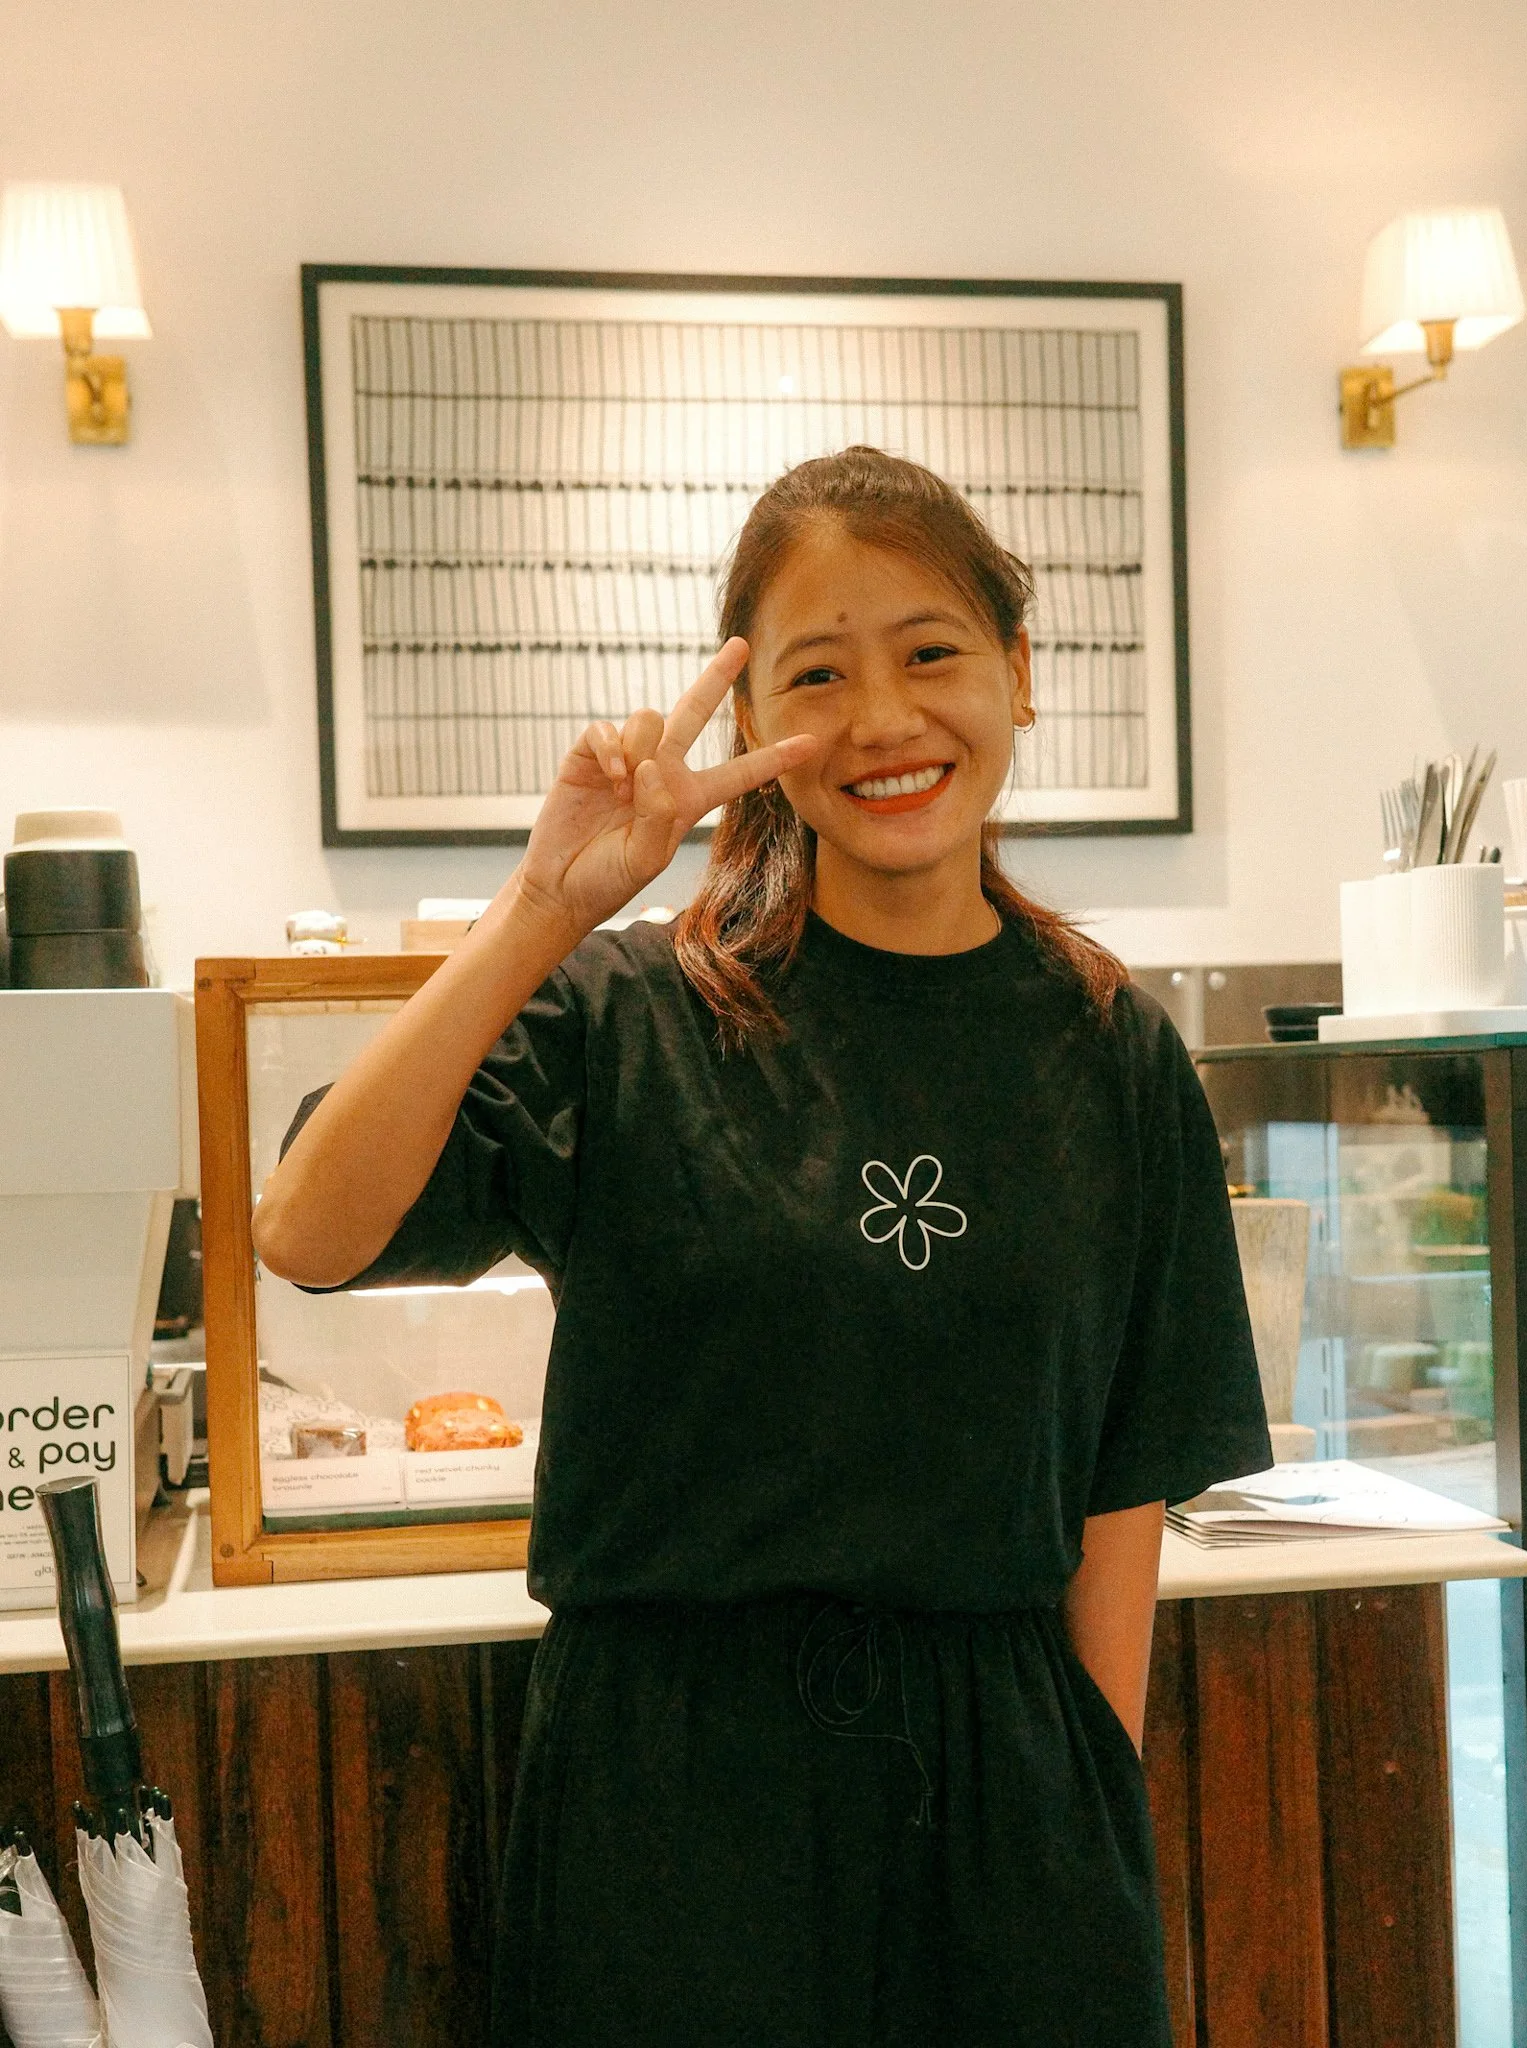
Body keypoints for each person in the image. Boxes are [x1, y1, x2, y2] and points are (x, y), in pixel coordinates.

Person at [255, 445, 1271, 2046]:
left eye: (930, 652)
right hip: (671, 1793)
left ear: (1016, 671)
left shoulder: (1107, 1047)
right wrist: (542, 907)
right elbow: (305, 1230)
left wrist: (1089, 1809)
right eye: (818, 674)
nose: (882, 720)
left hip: (1011, 1792)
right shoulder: (631, 1013)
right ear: (753, 730)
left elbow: (1117, 1482)